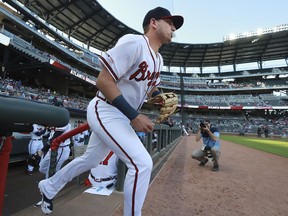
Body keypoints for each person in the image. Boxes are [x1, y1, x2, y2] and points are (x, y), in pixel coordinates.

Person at [38, 6, 184, 215]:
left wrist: (158, 97)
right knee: (141, 163)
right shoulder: (134, 43)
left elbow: (150, 87)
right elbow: (103, 80)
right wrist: (134, 115)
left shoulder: (158, 59)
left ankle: (49, 186)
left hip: (121, 115)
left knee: (90, 160)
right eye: (170, 23)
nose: (173, 28)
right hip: (105, 108)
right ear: (154, 22)